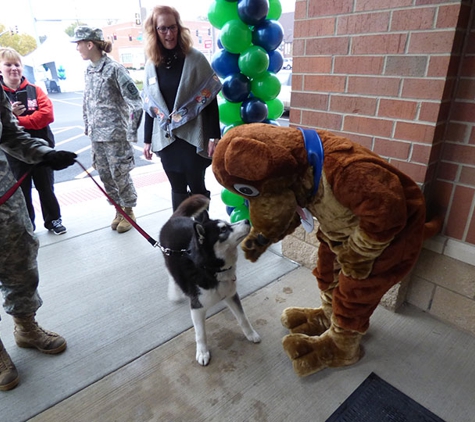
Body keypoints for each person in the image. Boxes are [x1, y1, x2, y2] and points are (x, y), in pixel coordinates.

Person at [0, 85, 77, 391]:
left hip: (4, 198)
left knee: (21, 264)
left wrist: (45, 153)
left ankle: (25, 326)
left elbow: (9, 132)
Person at [142, 5, 222, 211]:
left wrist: (214, 136)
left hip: (191, 138)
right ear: (155, 31)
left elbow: (210, 98)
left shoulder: (195, 59)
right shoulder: (151, 64)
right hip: (166, 140)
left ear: (179, 28)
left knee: (197, 188)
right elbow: (150, 105)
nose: (169, 34)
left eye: (172, 27)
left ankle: (204, 234)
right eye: (163, 29)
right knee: (177, 188)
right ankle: (181, 236)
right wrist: (147, 140)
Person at [71, 26, 143, 233]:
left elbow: (136, 102)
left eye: (79, 44)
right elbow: (87, 101)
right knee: (105, 176)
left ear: (90, 44)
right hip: (97, 137)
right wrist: (87, 125)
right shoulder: (89, 70)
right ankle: (118, 209)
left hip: (115, 136)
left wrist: (131, 132)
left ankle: (128, 211)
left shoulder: (115, 69)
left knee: (120, 174)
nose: (78, 48)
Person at [0, 47, 66, 234]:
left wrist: (15, 120)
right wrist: (10, 115)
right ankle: (27, 225)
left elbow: (46, 115)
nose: (13, 68)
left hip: (40, 149)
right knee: (21, 192)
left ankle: (53, 220)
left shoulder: (35, 90)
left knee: (46, 188)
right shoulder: (2, 95)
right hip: (13, 155)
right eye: (8, 64)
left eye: (17, 64)